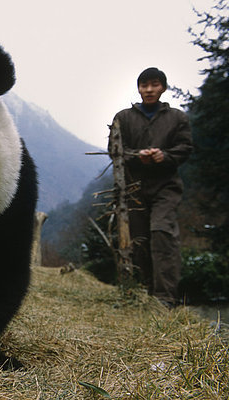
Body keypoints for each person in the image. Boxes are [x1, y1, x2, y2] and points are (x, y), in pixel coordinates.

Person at [109, 67, 193, 307]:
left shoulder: (177, 118)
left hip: (166, 188)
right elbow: (115, 152)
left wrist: (164, 156)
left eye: (154, 85)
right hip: (133, 189)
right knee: (138, 241)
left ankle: (165, 298)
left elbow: (185, 148)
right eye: (144, 85)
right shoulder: (123, 118)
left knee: (161, 234)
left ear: (163, 88)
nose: (148, 90)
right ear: (138, 88)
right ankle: (143, 294)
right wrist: (138, 156)